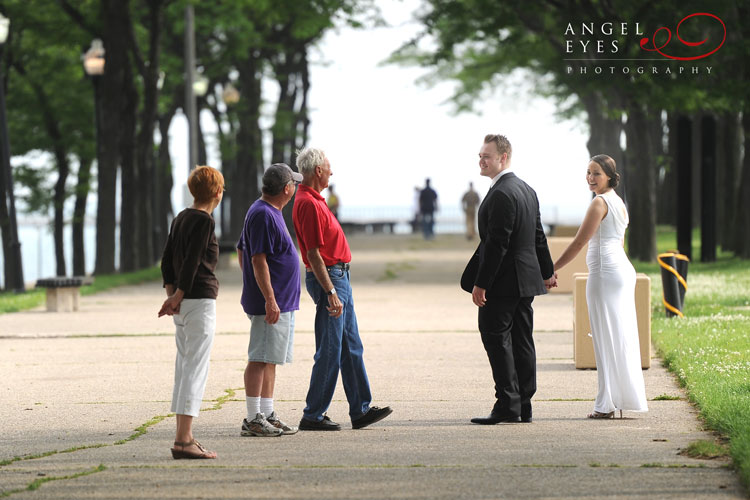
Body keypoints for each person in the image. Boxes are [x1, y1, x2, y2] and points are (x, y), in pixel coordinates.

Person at [293, 146, 392, 431]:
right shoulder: (309, 203)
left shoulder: (315, 200)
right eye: (329, 167)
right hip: (330, 279)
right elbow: (313, 254)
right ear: (318, 171)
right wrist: (331, 292)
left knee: (350, 346)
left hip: (339, 278)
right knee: (330, 348)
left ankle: (360, 409)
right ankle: (312, 414)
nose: (332, 172)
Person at [461, 134, 556, 425]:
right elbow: (537, 235)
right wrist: (546, 270)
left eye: (486, 156)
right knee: (521, 339)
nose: (481, 160)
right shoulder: (526, 190)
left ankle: (507, 404)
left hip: (504, 281)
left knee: (496, 338)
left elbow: (497, 244)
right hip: (524, 280)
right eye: (479, 155)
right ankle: (523, 404)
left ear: (503, 158)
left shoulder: (502, 193)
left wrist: (482, 283)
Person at [552, 154, 648, 419]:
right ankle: (616, 399)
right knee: (618, 334)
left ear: (609, 176)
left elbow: (580, 241)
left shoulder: (599, 204)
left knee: (606, 338)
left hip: (606, 274)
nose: (590, 178)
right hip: (620, 270)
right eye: (588, 172)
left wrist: (551, 269)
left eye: (596, 173)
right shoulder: (619, 202)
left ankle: (605, 404)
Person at [159, 165, 224, 459]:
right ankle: (184, 440)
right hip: (199, 301)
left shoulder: (181, 217)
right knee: (195, 369)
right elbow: (193, 262)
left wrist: (172, 295)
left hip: (183, 305)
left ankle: (183, 436)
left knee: (184, 367)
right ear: (217, 193)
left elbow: (167, 261)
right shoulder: (204, 221)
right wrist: (179, 295)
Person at [237, 163, 303, 437]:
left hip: (279, 301)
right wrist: (268, 298)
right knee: (260, 358)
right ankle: (253, 418)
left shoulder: (267, 212)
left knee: (271, 359)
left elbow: (241, 249)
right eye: (294, 184)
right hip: (272, 303)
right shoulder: (263, 214)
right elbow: (256, 259)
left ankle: (267, 412)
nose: (296, 188)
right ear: (286, 188)